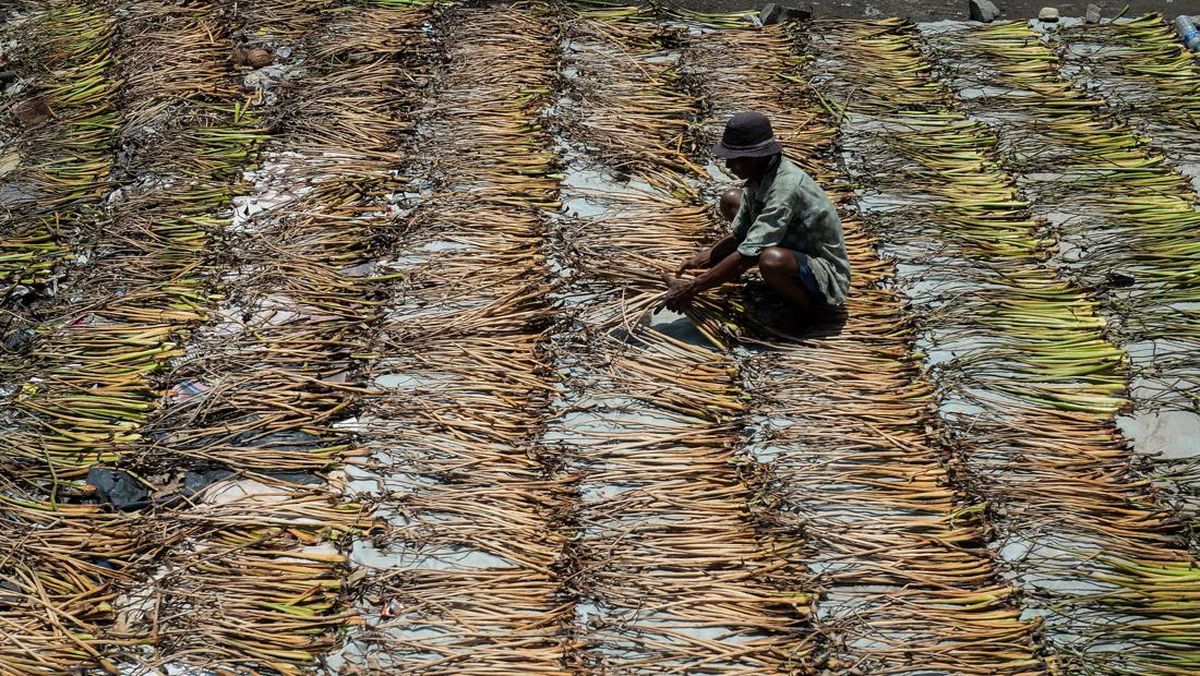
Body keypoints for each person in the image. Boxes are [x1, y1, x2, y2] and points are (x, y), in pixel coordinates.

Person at [663, 111, 850, 316]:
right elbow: (741, 236)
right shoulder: (759, 175)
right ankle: (741, 276)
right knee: (731, 199)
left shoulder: (786, 188)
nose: (729, 166)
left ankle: (809, 312)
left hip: (824, 272)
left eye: (736, 159)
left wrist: (692, 288)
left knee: (770, 259)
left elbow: (747, 254)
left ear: (757, 156)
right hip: (790, 245)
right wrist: (700, 260)